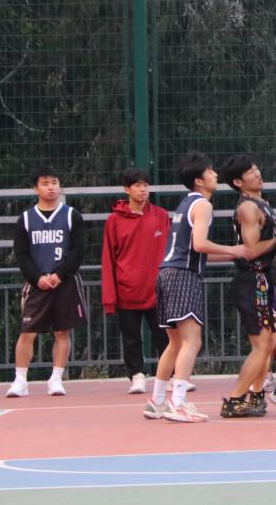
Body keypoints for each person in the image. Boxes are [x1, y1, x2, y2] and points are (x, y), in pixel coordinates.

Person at [145, 153, 248, 423]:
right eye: (211, 171)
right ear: (199, 180)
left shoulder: (185, 204)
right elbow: (200, 244)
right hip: (183, 276)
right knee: (192, 340)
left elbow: (195, 249)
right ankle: (178, 402)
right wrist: (232, 248)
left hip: (166, 273)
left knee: (175, 342)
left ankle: (156, 401)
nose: (215, 175)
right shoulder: (203, 205)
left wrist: (234, 254)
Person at [6, 167, 87, 398]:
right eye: (45, 183)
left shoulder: (72, 216)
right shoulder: (26, 219)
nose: (51, 187)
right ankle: (20, 380)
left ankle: (56, 378)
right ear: (36, 189)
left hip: (65, 282)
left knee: (62, 332)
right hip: (37, 284)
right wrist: (37, 277)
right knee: (27, 332)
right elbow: (21, 254)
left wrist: (59, 274)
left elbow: (78, 250)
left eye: (54, 182)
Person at [217, 154, 276, 419]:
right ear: (238, 182)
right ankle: (234, 400)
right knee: (262, 344)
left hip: (262, 280)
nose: (257, 173)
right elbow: (251, 250)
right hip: (252, 280)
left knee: (271, 339)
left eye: (256, 168)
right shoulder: (247, 208)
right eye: (250, 171)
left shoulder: (262, 203)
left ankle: (256, 395)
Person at [102, 168, 170, 395]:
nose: (143, 190)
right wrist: (110, 297)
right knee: (131, 338)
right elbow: (108, 259)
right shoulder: (114, 221)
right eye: (137, 185)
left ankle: (169, 376)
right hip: (127, 290)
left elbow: (170, 250)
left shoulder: (161, 215)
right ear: (127, 189)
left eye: (145, 185)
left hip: (158, 290)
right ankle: (137, 375)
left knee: (165, 335)